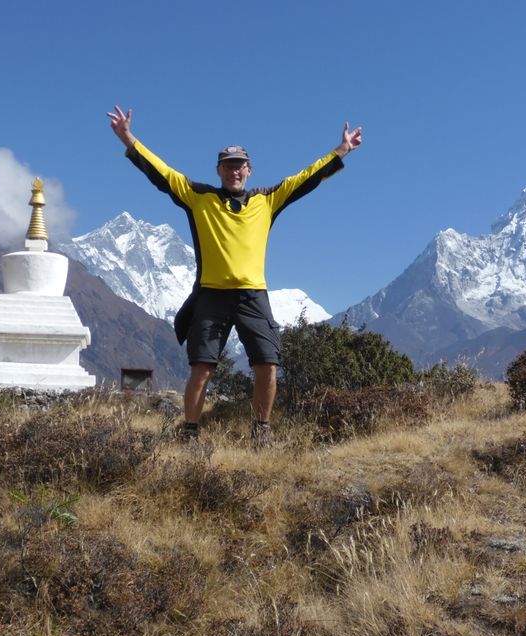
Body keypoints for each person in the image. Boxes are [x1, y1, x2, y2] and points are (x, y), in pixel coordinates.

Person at [107, 106, 362, 444]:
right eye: (228, 166)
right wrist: (128, 139)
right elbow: (162, 173)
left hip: (253, 294)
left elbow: (307, 178)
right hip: (211, 295)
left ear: (249, 169)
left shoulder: (268, 200)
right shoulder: (199, 197)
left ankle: (262, 432)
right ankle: (191, 433)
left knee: (267, 363)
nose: (234, 171)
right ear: (219, 170)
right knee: (202, 368)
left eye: (239, 165)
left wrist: (341, 151)